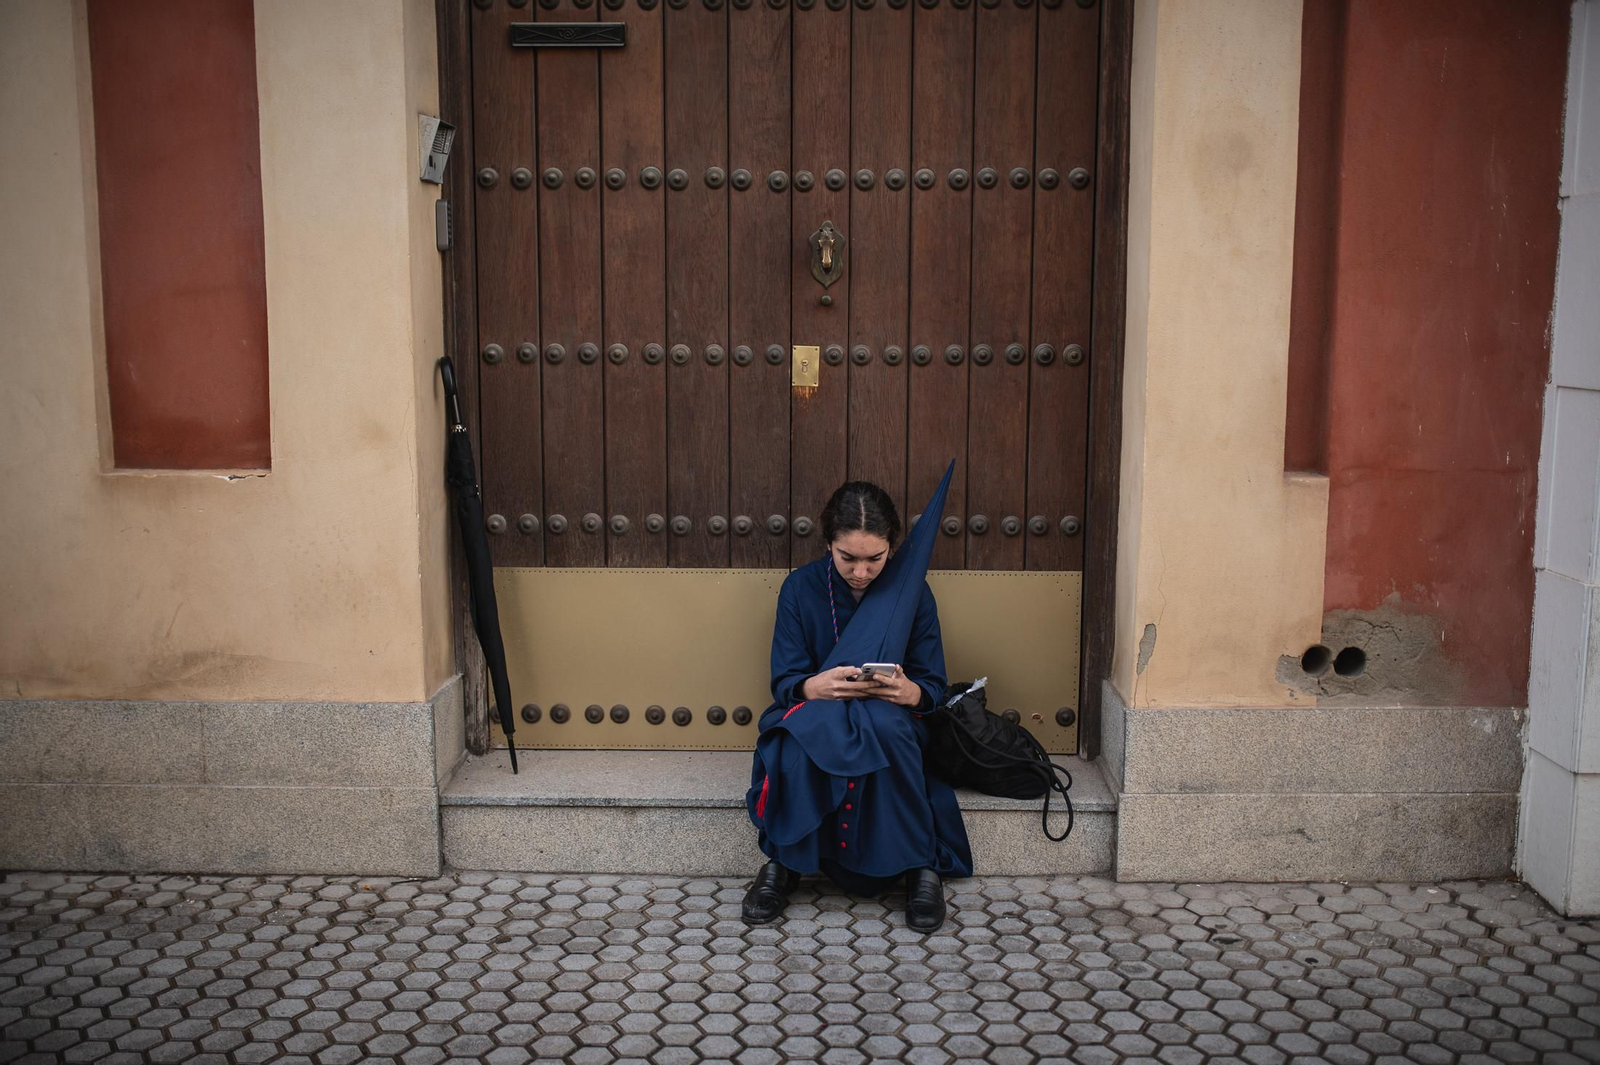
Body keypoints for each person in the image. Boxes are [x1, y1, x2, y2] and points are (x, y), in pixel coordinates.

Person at [743, 477, 973, 931]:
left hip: (890, 712)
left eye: (875, 559)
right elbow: (785, 678)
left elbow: (931, 681)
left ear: (893, 549)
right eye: (848, 558)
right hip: (818, 708)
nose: (862, 572)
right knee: (797, 738)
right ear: (828, 543)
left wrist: (911, 693)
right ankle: (783, 864)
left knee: (887, 730)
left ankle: (919, 866)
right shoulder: (799, 588)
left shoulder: (914, 594)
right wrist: (814, 687)